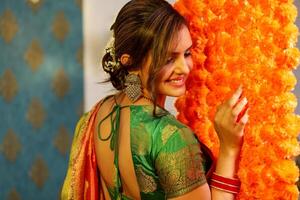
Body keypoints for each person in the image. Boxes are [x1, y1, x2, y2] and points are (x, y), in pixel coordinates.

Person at [61, 0, 249, 199]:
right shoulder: (170, 137)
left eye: (186, 54)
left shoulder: (96, 115)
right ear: (129, 62)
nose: (184, 68)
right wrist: (229, 149)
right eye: (168, 59)